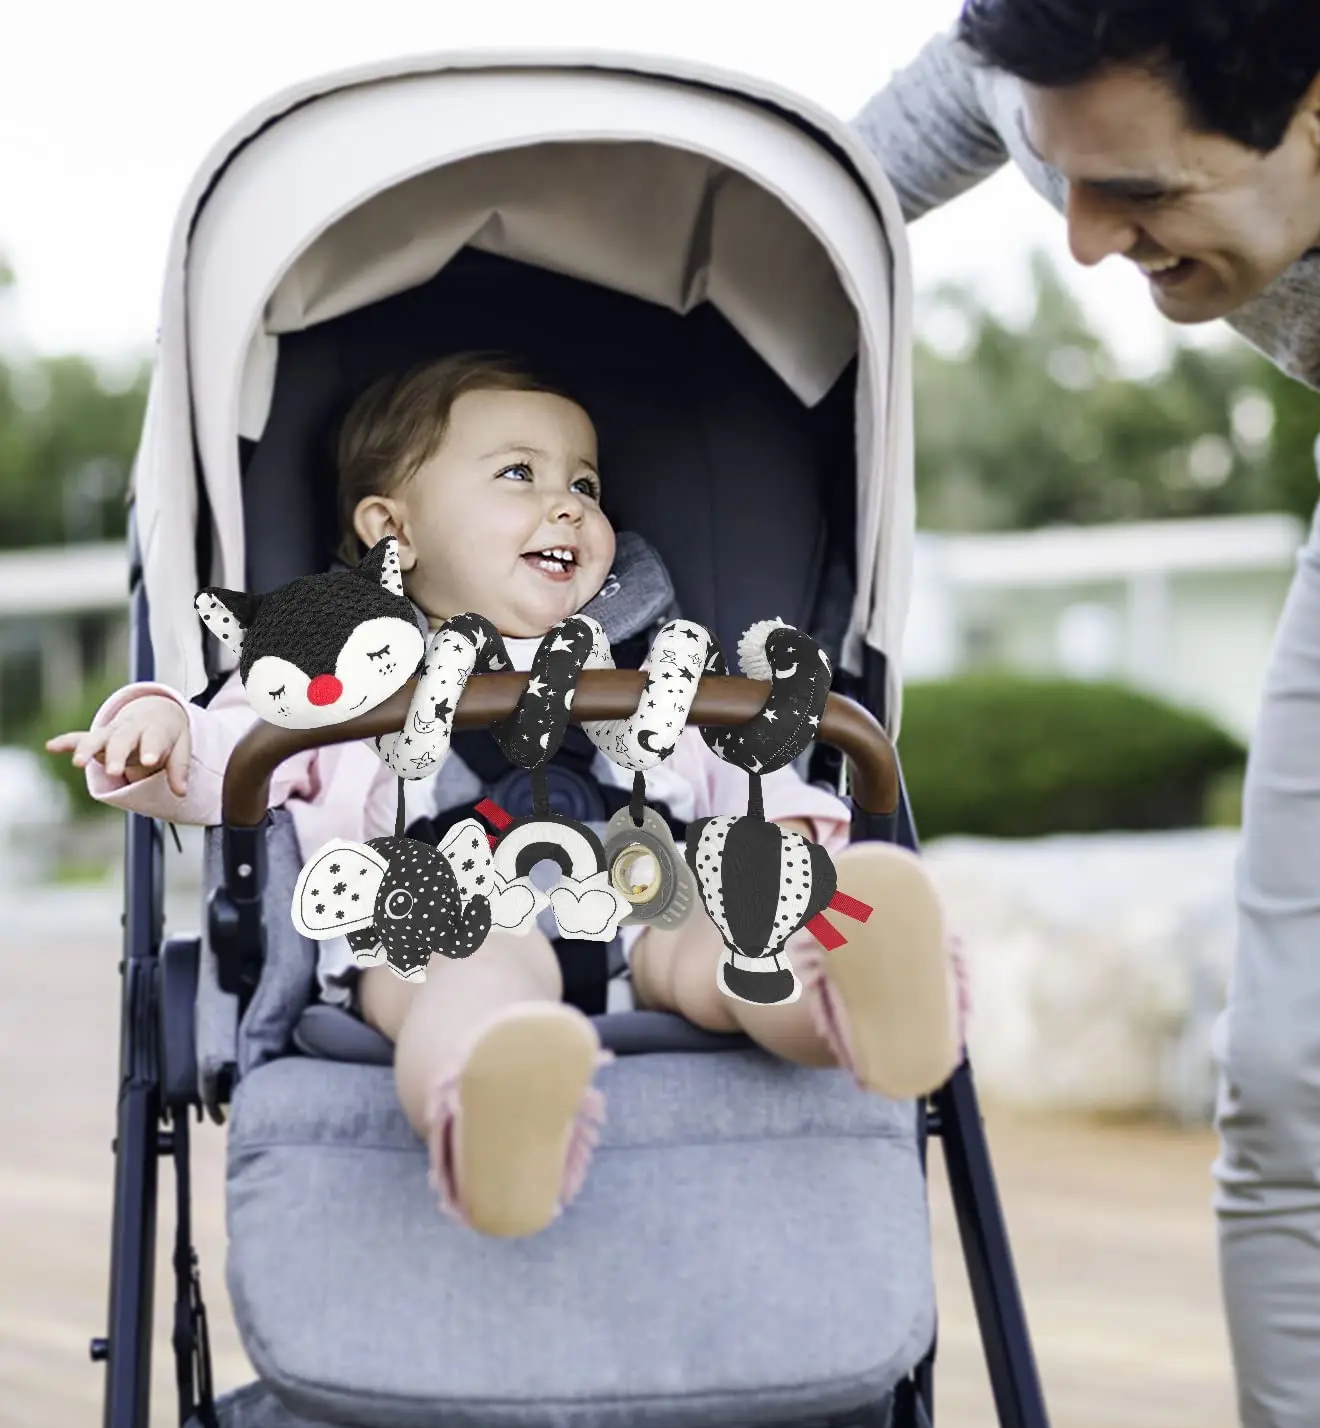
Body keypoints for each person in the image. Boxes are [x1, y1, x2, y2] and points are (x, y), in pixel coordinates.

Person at [853, 1, 1320, 1428]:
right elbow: (793, 198)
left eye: (1140, 196)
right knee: (1290, 1082)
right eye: (1055, 169)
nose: (1081, 239)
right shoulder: (1080, 90)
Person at [47, 354, 965, 1241]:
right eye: (518, 474)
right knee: (470, 972)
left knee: (729, 938)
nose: (567, 503)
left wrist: (810, 854)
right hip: (436, 922)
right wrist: (163, 727)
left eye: (588, 486)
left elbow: (742, 785)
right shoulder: (339, 672)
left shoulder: (650, 663)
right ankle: (497, 1104)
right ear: (389, 531)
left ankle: (842, 998)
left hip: (646, 909)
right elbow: (234, 749)